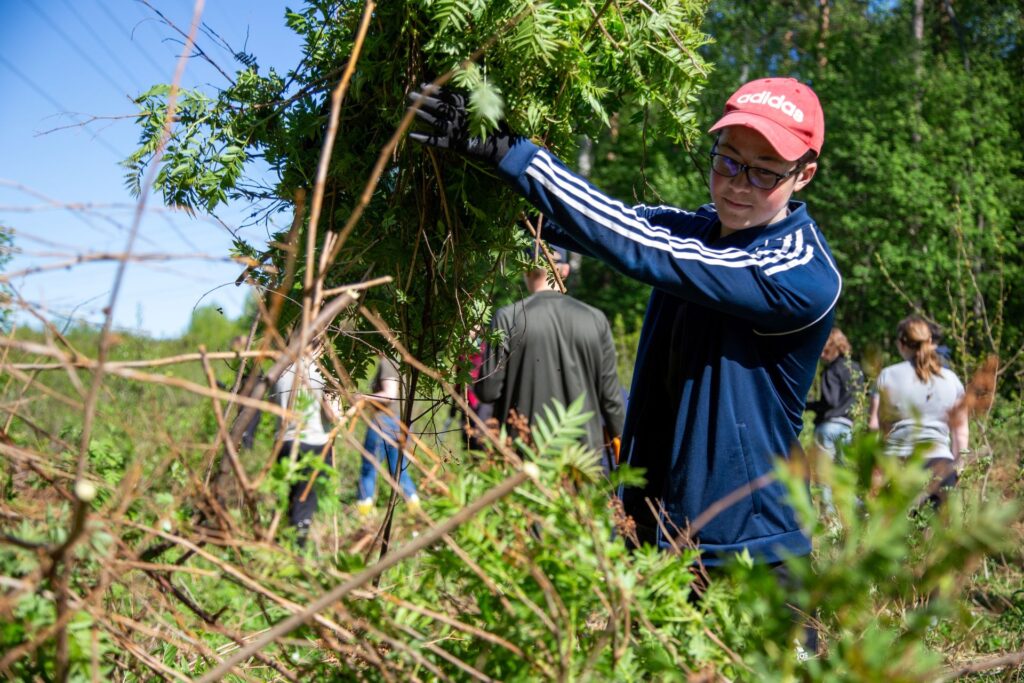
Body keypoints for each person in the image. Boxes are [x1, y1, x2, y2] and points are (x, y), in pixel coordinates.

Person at [409, 77, 841, 572]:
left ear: (803, 174)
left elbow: (639, 245)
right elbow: (594, 223)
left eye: (764, 172)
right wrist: (466, 179)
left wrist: (512, 151)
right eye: (727, 161)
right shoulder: (696, 228)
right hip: (654, 536)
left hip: (753, 550)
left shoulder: (801, 272)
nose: (739, 184)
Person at [474, 246, 626, 471]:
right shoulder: (596, 319)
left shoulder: (507, 318)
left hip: (525, 459)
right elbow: (612, 400)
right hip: (583, 461)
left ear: (526, 270)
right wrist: (621, 443)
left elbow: (487, 392)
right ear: (563, 271)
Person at [868, 315, 967, 507]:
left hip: (898, 464)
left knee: (898, 533)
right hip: (940, 465)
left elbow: (874, 426)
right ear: (930, 341)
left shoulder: (887, 376)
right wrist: (959, 466)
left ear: (901, 344)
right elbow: (960, 431)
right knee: (935, 535)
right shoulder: (951, 379)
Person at [270, 342, 339, 545]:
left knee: (287, 498)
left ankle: (280, 543)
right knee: (306, 500)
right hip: (312, 443)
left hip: (284, 442)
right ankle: (299, 550)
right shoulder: (319, 371)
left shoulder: (279, 371)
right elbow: (332, 416)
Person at [805, 327, 865, 514]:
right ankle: (860, 509)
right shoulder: (855, 368)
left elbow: (830, 401)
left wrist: (808, 405)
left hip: (828, 428)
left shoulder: (831, 370)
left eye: (824, 350)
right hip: (847, 427)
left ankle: (829, 518)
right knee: (843, 475)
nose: (821, 355)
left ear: (833, 348)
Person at [356, 355, 420, 516]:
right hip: (401, 422)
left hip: (384, 422)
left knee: (369, 468)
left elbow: (389, 394)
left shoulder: (388, 362)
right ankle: (415, 512)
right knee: (398, 469)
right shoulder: (404, 361)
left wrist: (363, 397)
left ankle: (363, 514)